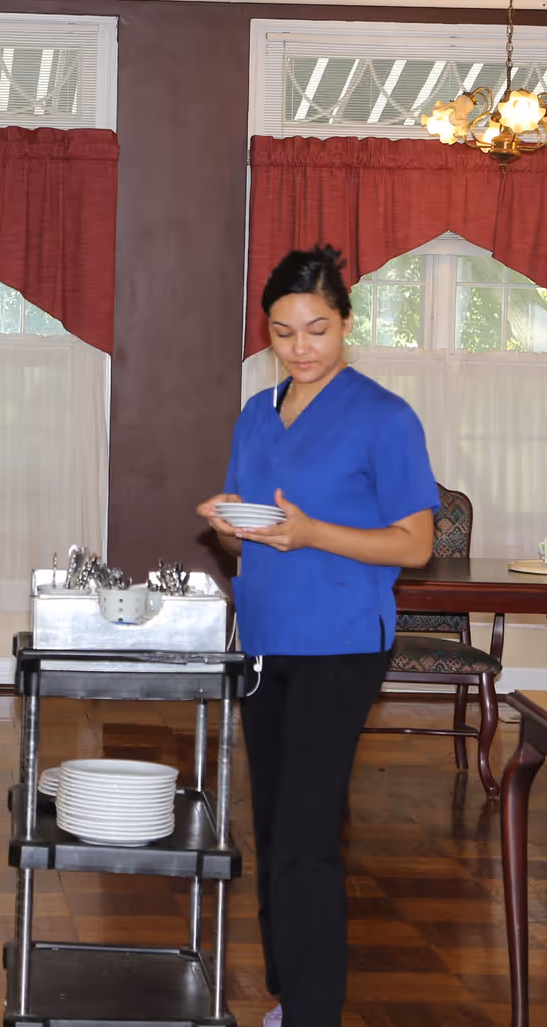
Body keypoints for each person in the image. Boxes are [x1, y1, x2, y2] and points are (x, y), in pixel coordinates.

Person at [196, 245, 438, 1027]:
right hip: (267, 639)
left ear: (346, 325)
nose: (301, 348)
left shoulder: (385, 418)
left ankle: (313, 1013)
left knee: (307, 829)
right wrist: (235, 527)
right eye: (283, 332)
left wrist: (312, 535)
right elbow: (256, 538)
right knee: (271, 823)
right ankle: (286, 993)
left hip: (342, 644)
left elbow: (414, 545)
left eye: (318, 330)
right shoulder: (254, 416)